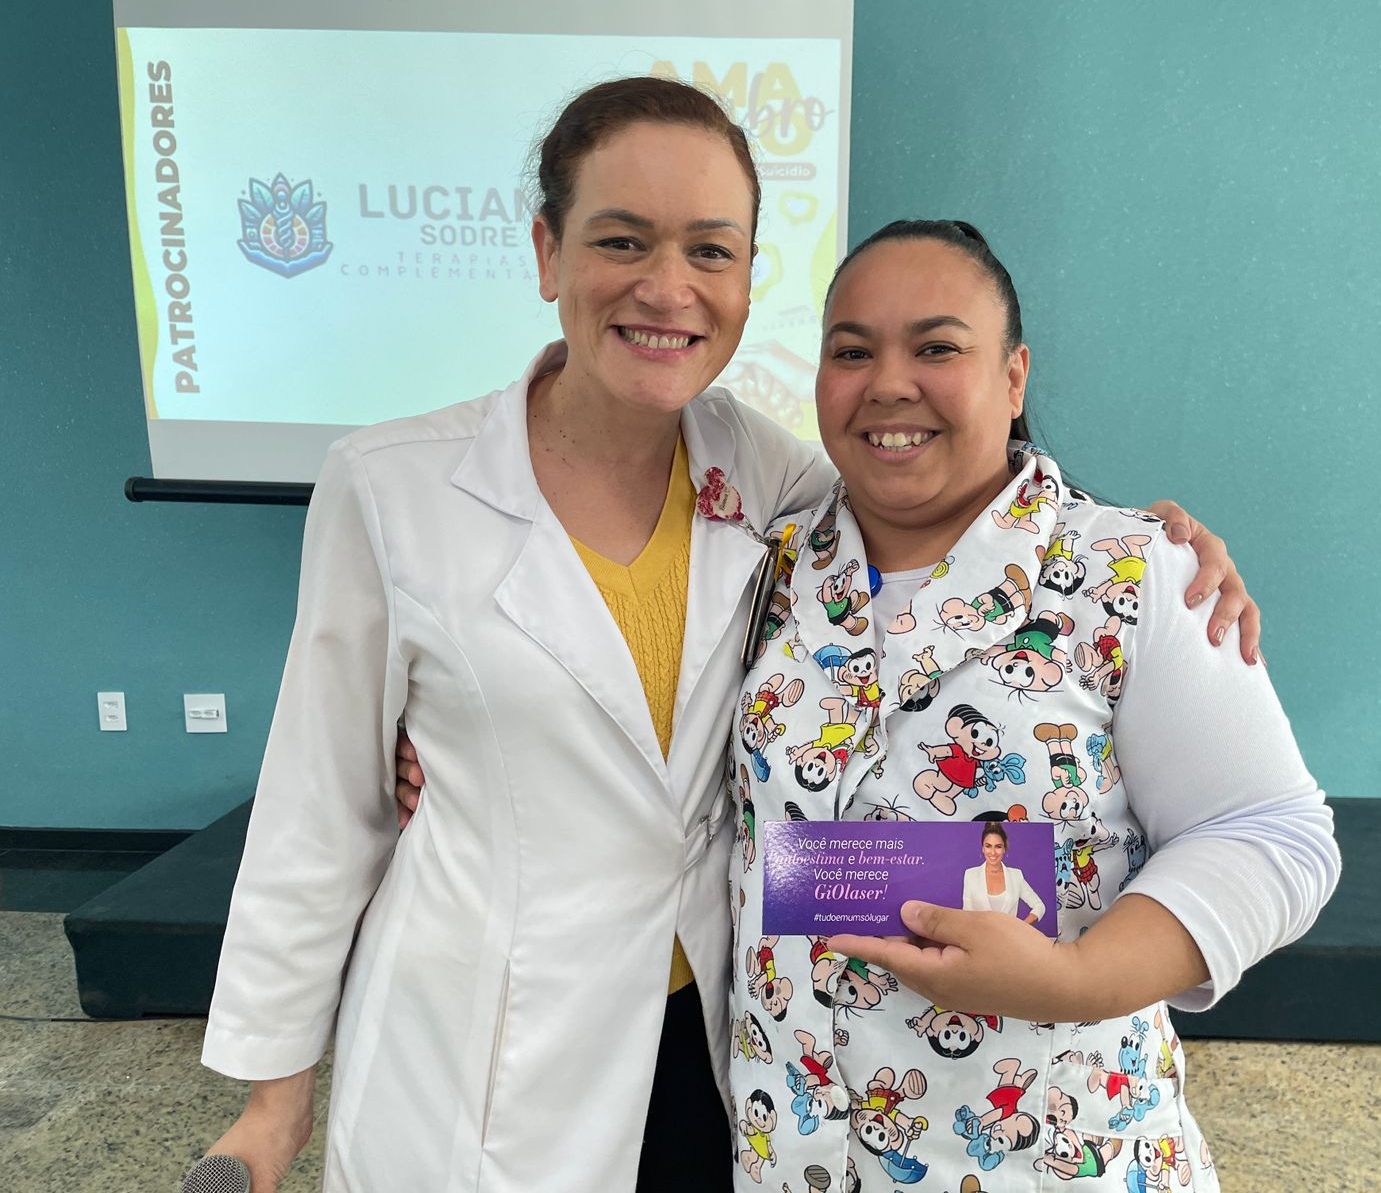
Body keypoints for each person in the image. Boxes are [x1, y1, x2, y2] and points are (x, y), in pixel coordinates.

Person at [202, 76, 1258, 1193]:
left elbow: (953, 502)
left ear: (749, 280)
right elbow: (319, 809)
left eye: (711, 250)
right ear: (548, 253)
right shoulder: (391, 488)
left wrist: (1140, 544)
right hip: (478, 1045)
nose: (668, 288)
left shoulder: (774, 478)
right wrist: (273, 1103)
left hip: (722, 1047)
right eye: (621, 240)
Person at [720, 219, 1341, 1190]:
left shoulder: (1126, 573)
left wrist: (1077, 979)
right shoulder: (766, 571)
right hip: (796, 1158)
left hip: (1051, 1156)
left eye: (937, 348)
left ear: (1014, 377)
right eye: (851, 351)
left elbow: (1271, 833)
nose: (889, 383)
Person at [960, 823, 1046, 922]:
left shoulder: (1016, 875)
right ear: (983, 849)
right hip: (978, 932)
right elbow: (967, 915)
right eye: (988, 846)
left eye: (998, 847)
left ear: (1004, 849)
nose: (993, 852)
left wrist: (1022, 927)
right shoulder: (970, 875)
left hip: (1010, 932)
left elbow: (1039, 906)